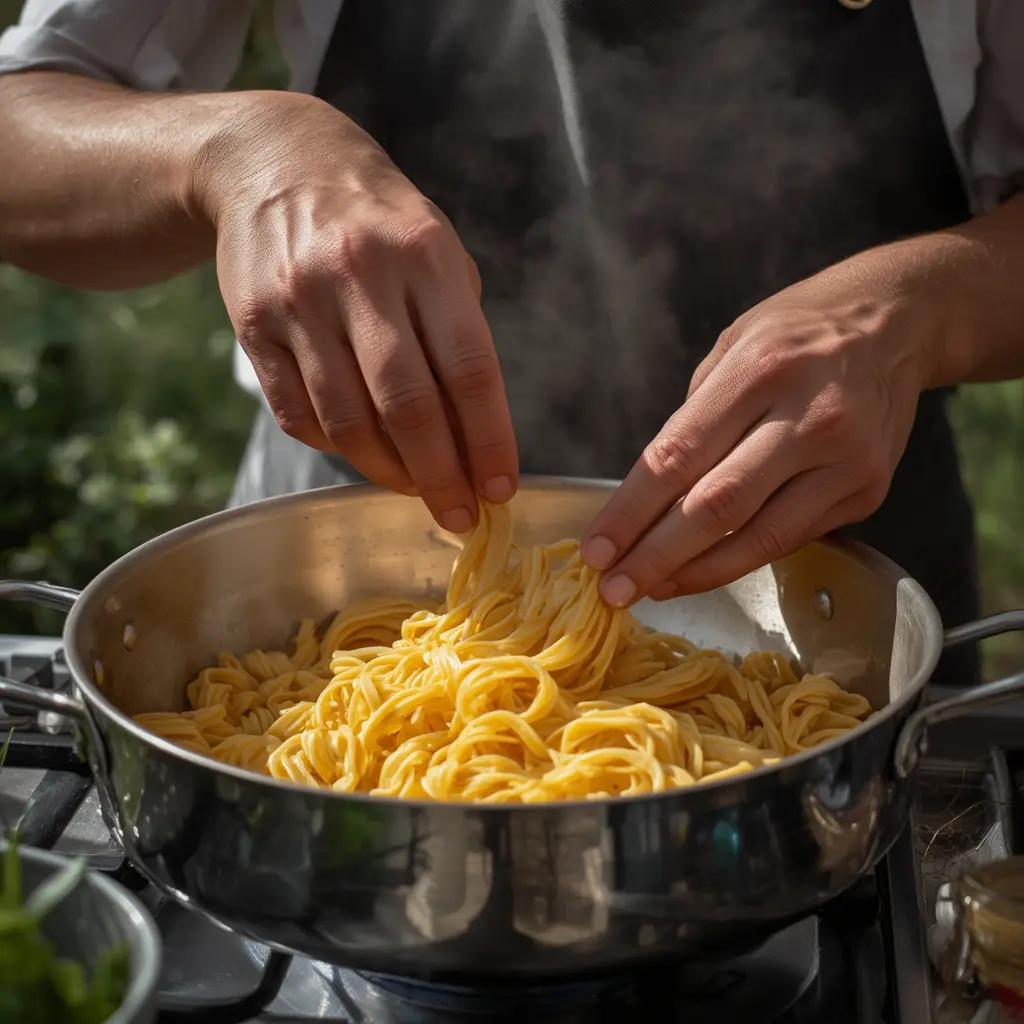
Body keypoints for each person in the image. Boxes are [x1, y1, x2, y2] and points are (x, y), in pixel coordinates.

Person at [2, 1, 1024, 689]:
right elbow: (25, 116)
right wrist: (230, 156)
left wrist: (925, 308)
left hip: (833, 614)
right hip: (339, 585)